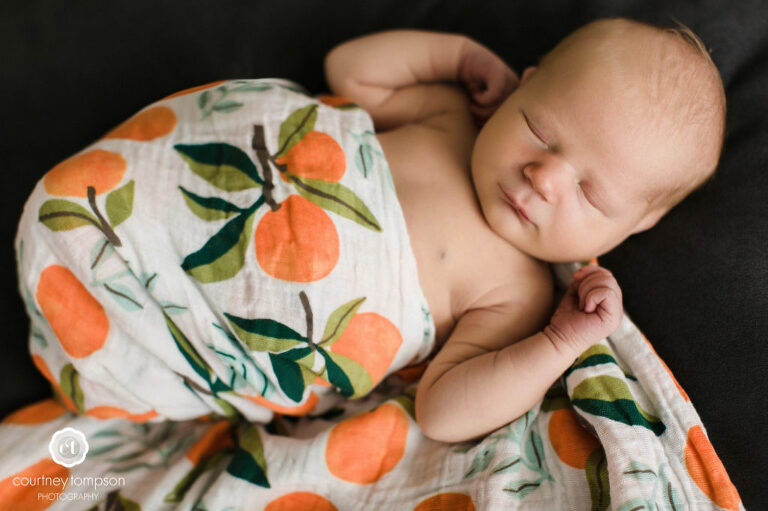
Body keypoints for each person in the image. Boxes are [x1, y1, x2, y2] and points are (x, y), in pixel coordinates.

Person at [324, 17, 726, 442]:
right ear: (521, 88)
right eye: (539, 131)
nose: (544, 178)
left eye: (589, 194)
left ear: (635, 226)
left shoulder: (517, 295)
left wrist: (559, 342)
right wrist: (459, 57)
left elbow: (441, 414)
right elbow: (347, 69)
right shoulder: (449, 119)